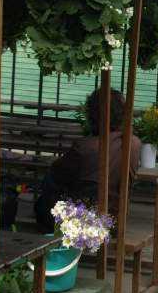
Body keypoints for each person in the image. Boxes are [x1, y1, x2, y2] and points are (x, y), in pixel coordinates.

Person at [36, 88, 140, 227]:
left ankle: (46, 225)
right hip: (115, 222)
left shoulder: (84, 147)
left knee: (49, 177)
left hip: (81, 223)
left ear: (92, 115)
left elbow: (57, 176)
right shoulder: (133, 143)